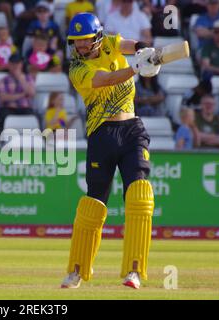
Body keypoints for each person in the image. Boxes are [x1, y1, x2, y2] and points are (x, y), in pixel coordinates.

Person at [61, 13, 159, 290]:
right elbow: (106, 80)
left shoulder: (109, 45)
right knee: (94, 203)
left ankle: (134, 271)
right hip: (101, 135)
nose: (80, 47)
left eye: (86, 41)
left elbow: (126, 45)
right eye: (76, 42)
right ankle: (76, 270)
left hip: (131, 130)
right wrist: (136, 69)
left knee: (140, 196)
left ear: (98, 38)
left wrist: (142, 50)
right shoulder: (77, 70)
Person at [0, 53, 36, 126]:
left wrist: (21, 79)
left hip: (25, 108)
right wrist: (22, 95)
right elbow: (3, 98)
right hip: (9, 108)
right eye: (13, 64)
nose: (15, 66)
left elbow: (32, 93)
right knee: (3, 116)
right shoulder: (3, 80)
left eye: (17, 63)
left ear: (21, 64)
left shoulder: (28, 78)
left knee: (31, 117)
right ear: (9, 64)